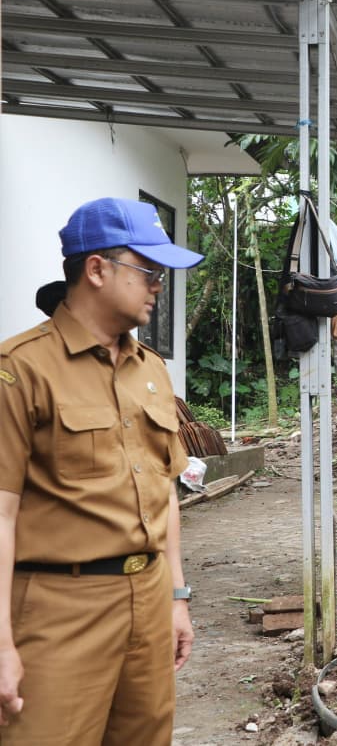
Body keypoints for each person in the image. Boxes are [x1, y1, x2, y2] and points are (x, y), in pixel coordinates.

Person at [0, 197, 203, 743]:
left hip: (149, 600)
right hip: (58, 608)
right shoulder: (20, 371)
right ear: (96, 269)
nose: (159, 284)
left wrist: (177, 599)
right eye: (148, 270)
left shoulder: (151, 370)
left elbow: (165, 492)